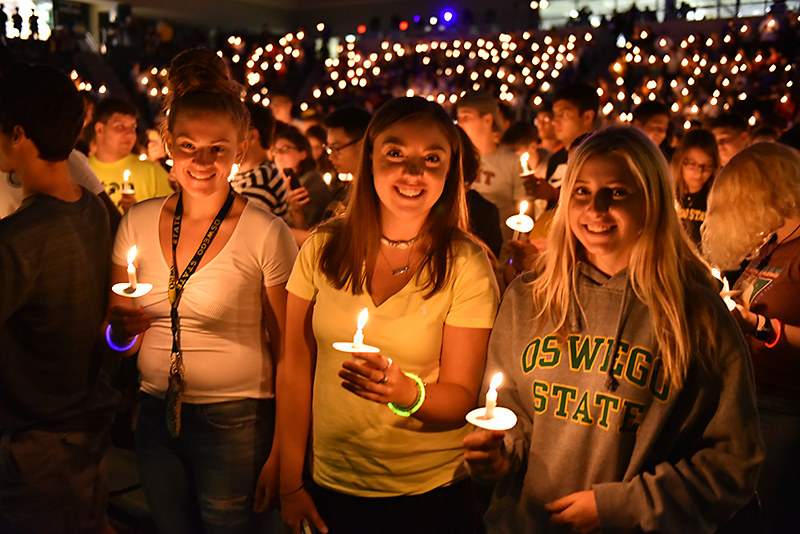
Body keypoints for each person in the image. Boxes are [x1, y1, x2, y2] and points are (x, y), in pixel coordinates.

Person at [463, 127, 763, 534]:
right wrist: (500, 455)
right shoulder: (528, 297)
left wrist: (623, 506)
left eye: (617, 193)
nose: (596, 208)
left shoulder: (696, 313)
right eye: (582, 192)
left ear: (652, 202)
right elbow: (510, 411)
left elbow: (734, 459)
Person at [278, 96, 500, 534]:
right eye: (395, 153)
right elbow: (295, 368)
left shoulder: (467, 264)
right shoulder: (321, 248)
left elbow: (460, 397)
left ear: (450, 170)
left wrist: (405, 391)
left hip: (427, 493)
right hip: (331, 485)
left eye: (431, 158)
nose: (412, 172)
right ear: (370, 159)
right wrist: (289, 479)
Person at [106, 48, 297, 533]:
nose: (202, 161)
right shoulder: (137, 221)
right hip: (154, 412)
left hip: (236, 421)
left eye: (218, 148)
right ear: (169, 142)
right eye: (188, 145)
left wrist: (286, 456)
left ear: (241, 147)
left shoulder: (265, 232)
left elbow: (293, 353)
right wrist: (120, 332)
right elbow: (117, 336)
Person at [0, 63, 117, 533]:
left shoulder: (18, 239)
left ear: (19, 135)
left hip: (33, 447)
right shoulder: (95, 212)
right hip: (87, 430)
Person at [702, 142, 800, 534]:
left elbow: (766, 321)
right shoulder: (775, 242)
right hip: (750, 399)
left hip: (785, 410)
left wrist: (760, 327)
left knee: (769, 518)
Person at [457, 92, 527, 241]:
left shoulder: (511, 162)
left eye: (466, 118)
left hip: (500, 253)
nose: (460, 123)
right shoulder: (456, 159)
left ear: (488, 119)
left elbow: (524, 211)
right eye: (459, 118)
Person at [88, 97, 172, 212]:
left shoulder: (152, 173)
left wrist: (138, 214)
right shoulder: (82, 170)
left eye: (133, 127)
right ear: (100, 129)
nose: (130, 134)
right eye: (120, 126)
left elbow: (172, 216)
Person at [231, 102, 290, 220]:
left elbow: (239, 229)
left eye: (235, 130)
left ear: (253, 135)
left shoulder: (262, 181)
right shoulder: (250, 173)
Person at [272, 123, 332, 229]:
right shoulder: (278, 182)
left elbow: (311, 231)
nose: (279, 155)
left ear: (303, 154)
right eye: (276, 151)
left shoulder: (312, 181)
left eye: (285, 149)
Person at [669, 128, 719, 248]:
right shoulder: (667, 195)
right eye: (692, 164)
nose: (699, 171)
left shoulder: (717, 199)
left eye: (707, 166)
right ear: (680, 161)